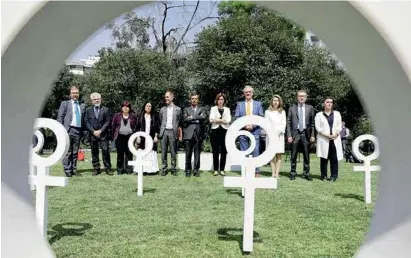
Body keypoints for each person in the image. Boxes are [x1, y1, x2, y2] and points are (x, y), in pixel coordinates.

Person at [286, 89, 316, 181]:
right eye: (299, 96)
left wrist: (312, 135)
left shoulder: (310, 108)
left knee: (306, 155)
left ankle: (306, 173)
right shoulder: (292, 108)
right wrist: (289, 135)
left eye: (303, 96)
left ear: (306, 98)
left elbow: (313, 123)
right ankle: (293, 173)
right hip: (295, 134)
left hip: (306, 134)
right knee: (293, 155)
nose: (301, 97)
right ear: (297, 97)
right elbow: (288, 123)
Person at [234, 85, 264, 176]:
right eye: (246, 92)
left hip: (255, 131)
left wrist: (253, 125)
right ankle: (246, 170)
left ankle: (256, 171)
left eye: (249, 92)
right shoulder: (240, 104)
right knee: (244, 151)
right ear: (244, 94)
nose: (248, 93)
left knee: (255, 151)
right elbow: (237, 117)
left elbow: (261, 117)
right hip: (243, 131)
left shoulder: (258, 104)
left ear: (252, 93)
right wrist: (245, 126)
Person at [57, 86, 85, 177]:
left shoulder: (82, 105)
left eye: (77, 93)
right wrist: (61, 130)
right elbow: (60, 117)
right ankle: (67, 169)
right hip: (67, 130)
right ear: (70, 94)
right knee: (67, 151)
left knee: (75, 152)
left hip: (78, 130)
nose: (75, 95)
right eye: (73, 93)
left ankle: (74, 169)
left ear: (79, 94)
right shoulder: (65, 104)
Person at [315, 97, 344, 182]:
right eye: (327, 102)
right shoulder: (319, 115)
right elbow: (318, 127)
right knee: (324, 158)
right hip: (324, 139)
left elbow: (339, 126)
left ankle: (333, 176)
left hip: (334, 139)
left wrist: (336, 134)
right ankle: (323, 175)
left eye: (331, 102)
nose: (329, 104)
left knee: (334, 158)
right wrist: (326, 135)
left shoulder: (337, 114)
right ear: (324, 103)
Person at [85, 92, 113, 176]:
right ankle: (96, 169)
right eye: (94, 99)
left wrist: (100, 130)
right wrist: (93, 131)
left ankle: (108, 168)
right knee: (94, 152)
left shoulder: (106, 109)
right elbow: (86, 122)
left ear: (100, 99)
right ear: (92, 101)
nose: (96, 100)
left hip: (103, 134)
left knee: (105, 151)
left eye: (98, 99)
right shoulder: (88, 110)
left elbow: (108, 122)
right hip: (93, 134)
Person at [182, 92, 207, 177]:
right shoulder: (186, 109)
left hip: (198, 134)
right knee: (188, 154)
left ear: (198, 100)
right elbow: (185, 119)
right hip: (188, 134)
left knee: (197, 154)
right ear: (190, 100)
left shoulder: (202, 109)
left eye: (196, 99)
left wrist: (191, 117)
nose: (194, 100)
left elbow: (203, 117)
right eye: (192, 98)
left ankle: (196, 171)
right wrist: (197, 117)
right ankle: (188, 171)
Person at [159, 91, 182, 176]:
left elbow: (179, 121)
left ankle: (173, 169)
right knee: (163, 151)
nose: (166, 98)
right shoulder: (162, 109)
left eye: (167, 97)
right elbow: (161, 120)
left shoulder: (178, 109)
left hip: (173, 131)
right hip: (164, 131)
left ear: (172, 97)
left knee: (173, 151)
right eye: (165, 97)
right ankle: (164, 169)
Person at [111, 101, 137, 175]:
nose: (125, 108)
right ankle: (120, 169)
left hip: (130, 136)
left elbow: (136, 126)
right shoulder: (117, 115)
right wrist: (113, 136)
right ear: (122, 108)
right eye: (124, 106)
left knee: (129, 153)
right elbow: (113, 125)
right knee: (120, 153)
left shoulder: (133, 116)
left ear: (129, 108)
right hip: (120, 137)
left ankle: (129, 169)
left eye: (127, 106)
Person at [209, 93, 231, 176]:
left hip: (225, 132)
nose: (220, 101)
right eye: (219, 99)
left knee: (224, 151)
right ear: (217, 100)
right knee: (215, 151)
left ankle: (222, 169)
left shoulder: (227, 109)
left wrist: (217, 120)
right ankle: (215, 169)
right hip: (215, 131)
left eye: (222, 99)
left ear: (224, 100)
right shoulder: (213, 109)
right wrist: (222, 120)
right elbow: (211, 119)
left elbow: (228, 120)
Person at [264, 95, 286, 178]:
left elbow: (283, 123)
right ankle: (273, 173)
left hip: (280, 135)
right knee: (271, 154)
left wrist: (278, 131)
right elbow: (266, 123)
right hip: (270, 135)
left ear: (279, 102)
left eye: (277, 100)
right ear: (271, 102)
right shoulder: (267, 112)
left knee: (278, 155)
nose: (276, 102)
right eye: (274, 100)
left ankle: (277, 173)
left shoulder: (282, 111)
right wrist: (271, 132)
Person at [136, 101, 160, 174]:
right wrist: (138, 137)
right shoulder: (140, 116)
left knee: (151, 152)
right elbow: (137, 127)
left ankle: (151, 170)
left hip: (151, 137)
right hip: (142, 137)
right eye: (147, 106)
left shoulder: (154, 116)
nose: (148, 107)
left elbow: (157, 127)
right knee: (142, 151)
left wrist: (156, 136)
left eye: (150, 106)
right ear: (144, 107)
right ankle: (141, 169)